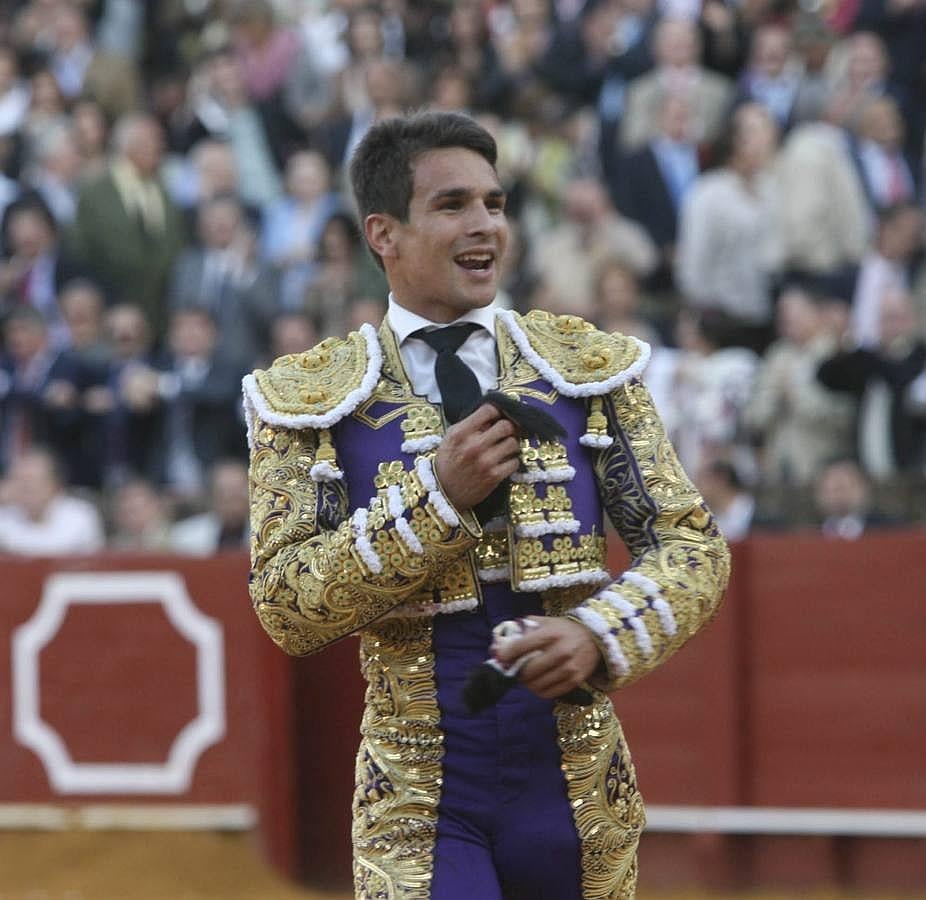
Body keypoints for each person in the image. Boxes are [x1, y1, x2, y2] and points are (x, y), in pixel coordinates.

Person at [244, 111, 730, 899]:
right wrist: (437, 500)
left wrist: (598, 633)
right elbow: (285, 606)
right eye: (453, 205)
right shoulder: (308, 400)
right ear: (383, 234)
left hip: (576, 789)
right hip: (416, 797)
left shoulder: (587, 370)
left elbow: (692, 545)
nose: (485, 226)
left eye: (495, 204)